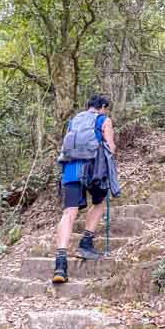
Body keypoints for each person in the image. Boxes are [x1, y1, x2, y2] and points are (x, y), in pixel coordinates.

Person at [52, 94, 116, 284]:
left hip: (71, 170)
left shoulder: (74, 121)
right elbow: (111, 148)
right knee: (99, 202)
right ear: (103, 107)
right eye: (106, 108)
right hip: (93, 170)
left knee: (69, 213)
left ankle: (60, 264)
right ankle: (85, 243)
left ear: (88, 106)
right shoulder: (104, 120)